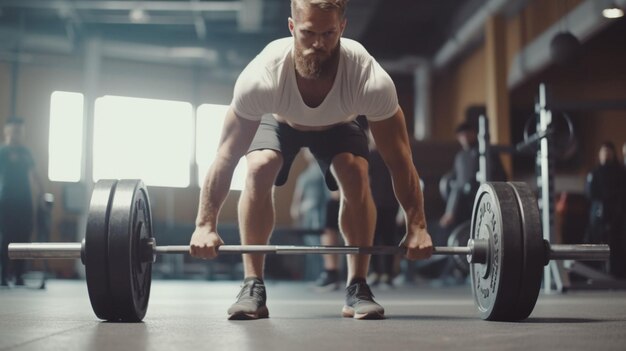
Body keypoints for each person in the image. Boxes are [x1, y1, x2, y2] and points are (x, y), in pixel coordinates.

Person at [189, 0, 433, 321]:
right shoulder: (262, 78)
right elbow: (226, 154)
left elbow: (400, 160)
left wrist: (417, 226)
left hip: (339, 124)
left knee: (355, 170)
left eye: (329, 33)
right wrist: (205, 225)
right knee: (259, 166)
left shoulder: (369, 79)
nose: (318, 43)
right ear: (292, 27)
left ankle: (357, 285)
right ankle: (253, 285)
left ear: (342, 28)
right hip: (281, 121)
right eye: (308, 33)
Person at [439, 120, 507, 230]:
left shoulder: (485, 151)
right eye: (461, 135)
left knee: (458, 188)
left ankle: (450, 215)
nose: (464, 138)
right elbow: (454, 175)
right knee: (456, 188)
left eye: (466, 134)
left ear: (473, 134)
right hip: (462, 195)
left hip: (479, 189)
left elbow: (500, 174)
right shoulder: (460, 156)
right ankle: (451, 220)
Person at [0, 117, 44, 287]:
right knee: (5, 238)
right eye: (15, 131)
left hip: (25, 201)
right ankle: (3, 275)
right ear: (7, 131)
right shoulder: (2, 152)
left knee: (23, 238)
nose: (18, 134)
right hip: (6, 201)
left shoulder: (27, 152)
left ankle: (19, 275)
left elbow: (34, 175)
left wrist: (41, 195)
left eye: (20, 131)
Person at [585, 142, 626, 278]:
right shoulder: (595, 172)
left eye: (608, 152)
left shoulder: (620, 172)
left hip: (617, 215)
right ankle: (596, 274)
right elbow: (590, 194)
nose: (606, 155)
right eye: (603, 152)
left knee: (616, 246)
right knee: (595, 243)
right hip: (598, 215)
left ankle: (616, 275)